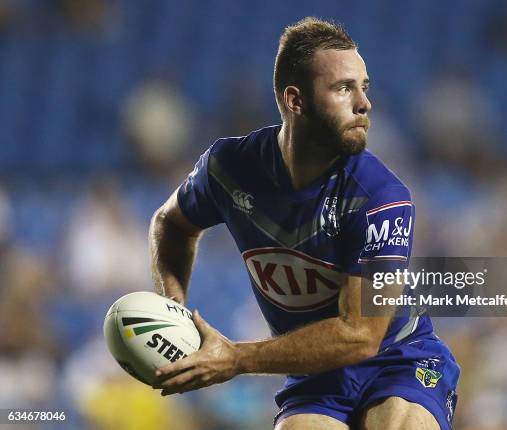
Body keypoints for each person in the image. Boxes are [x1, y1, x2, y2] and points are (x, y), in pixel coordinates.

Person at [149, 17, 459, 430]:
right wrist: (175, 309)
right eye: (343, 88)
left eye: (364, 87)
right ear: (295, 101)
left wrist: (237, 358)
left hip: (400, 360)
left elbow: (360, 336)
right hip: (317, 375)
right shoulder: (228, 168)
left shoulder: (380, 196)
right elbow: (170, 223)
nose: (364, 103)